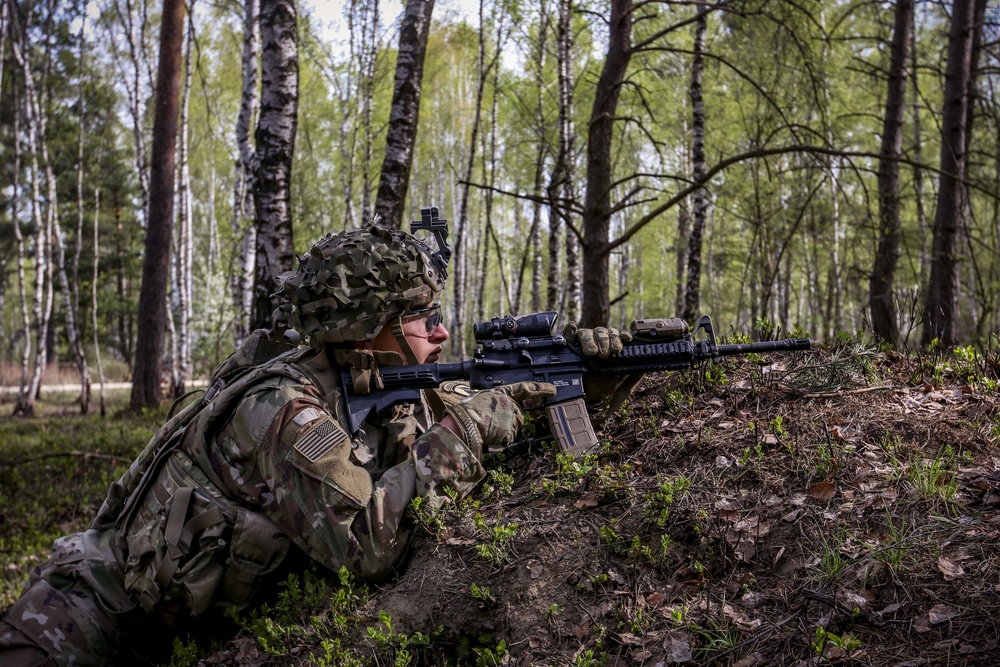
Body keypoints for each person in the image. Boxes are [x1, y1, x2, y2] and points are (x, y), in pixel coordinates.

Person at [0, 221, 632, 666]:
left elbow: (484, 421)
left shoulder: (379, 382)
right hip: (83, 622)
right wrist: (471, 427)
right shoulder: (281, 409)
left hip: (174, 634)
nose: (441, 332)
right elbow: (366, 543)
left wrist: (589, 375)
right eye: (421, 317)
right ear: (368, 329)